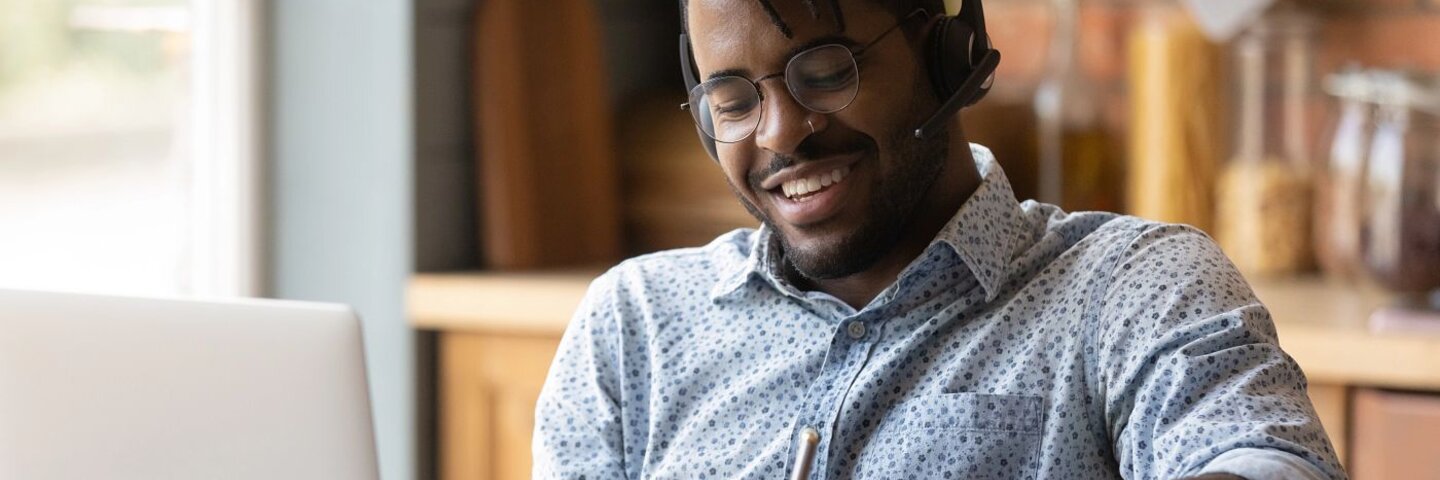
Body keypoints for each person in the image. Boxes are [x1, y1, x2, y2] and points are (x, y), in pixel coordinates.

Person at [533, 0, 1346, 478]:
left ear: (946, 53)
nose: (782, 134)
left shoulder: (1134, 288)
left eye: (826, 71)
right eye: (734, 99)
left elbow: (1263, 460)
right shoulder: (634, 328)